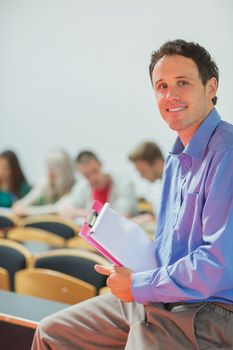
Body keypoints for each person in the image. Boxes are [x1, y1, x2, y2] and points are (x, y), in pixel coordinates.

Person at [31, 39, 233, 349]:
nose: (170, 95)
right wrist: (129, 264)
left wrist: (139, 284)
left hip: (212, 309)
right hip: (166, 294)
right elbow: (166, 249)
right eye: (161, 86)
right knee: (51, 333)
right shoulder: (174, 159)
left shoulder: (227, 153)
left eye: (183, 82)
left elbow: (217, 266)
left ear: (210, 87)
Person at [58, 150, 136, 218]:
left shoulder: (124, 184)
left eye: (94, 171)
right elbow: (64, 208)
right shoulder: (83, 186)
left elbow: (122, 215)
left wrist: (83, 214)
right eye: (86, 175)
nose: (92, 178)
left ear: (101, 164)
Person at [12, 149, 76, 216]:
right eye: (49, 168)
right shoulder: (46, 183)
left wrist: (27, 211)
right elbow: (25, 201)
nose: (49, 173)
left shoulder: (76, 188)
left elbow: (57, 209)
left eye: (54, 170)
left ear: (65, 171)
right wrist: (19, 206)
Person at [128, 141, 164, 223]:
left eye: (143, 171)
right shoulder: (155, 187)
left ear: (158, 163)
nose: (141, 176)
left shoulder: (179, 185)